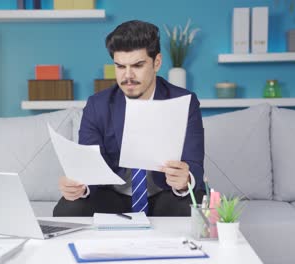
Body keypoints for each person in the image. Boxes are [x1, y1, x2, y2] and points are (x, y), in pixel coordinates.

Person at [53, 20, 204, 217]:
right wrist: (80, 187)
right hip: (113, 196)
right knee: (68, 208)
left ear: (156, 62)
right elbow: (89, 167)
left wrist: (185, 180)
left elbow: (195, 164)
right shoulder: (97, 105)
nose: (128, 76)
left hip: (165, 194)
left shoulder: (185, 101)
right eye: (120, 66)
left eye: (138, 65)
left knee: (195, 207)